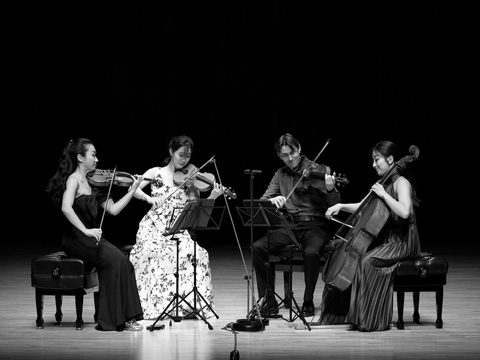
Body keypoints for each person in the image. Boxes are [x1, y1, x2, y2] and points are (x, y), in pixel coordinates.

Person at [320, 140, 421, 332]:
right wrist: (340, 206)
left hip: (403, 241)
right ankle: (343, 316)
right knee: (355, 259)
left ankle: (369, 319)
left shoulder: (401, 183)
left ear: (390, 159)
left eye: (377, 160)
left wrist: (384, 195)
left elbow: (405, 212)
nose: (373, 164)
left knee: (366, 262)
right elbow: (362, 206)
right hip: (389, 239)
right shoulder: (382, 184)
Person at [45, 138, 144, 331]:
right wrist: (86, 230)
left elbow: (114, 210)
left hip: (92, 238)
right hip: (76, 238)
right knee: (117, 262)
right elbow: (66, 208)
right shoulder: (74, 180)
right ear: (80, 157)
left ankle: (115, 319)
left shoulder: (94, 184)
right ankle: (118, 320)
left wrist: (132, 190)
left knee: (124, 263)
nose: (97, 159)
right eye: (93, 154)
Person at [129, 135, 223, 320]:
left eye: (188, 156)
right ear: (171, 152)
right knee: (155, 254)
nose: (184, 160)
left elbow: (195, 210)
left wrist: (210, 195)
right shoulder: (156, 172)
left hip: (178, 226)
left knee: (199, 254)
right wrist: (149, 199)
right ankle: (158, 307)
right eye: (181, 155)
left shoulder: (191, 179)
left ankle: (187, 306)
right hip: (153, 227)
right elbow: (134, 188)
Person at [252, 133, 341, 318]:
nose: (290, 158)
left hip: (316, 225)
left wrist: (331, 189)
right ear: (279, 156)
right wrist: (272, 200)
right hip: (290, 226)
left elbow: (334, 206)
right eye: (285, 155)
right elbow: (262, 201)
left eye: (292, 153)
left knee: (311, 252)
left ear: (299, 148)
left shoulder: (319, 169)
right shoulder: (280, 174)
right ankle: (269, 301)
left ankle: (308, 301)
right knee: (258, 248)